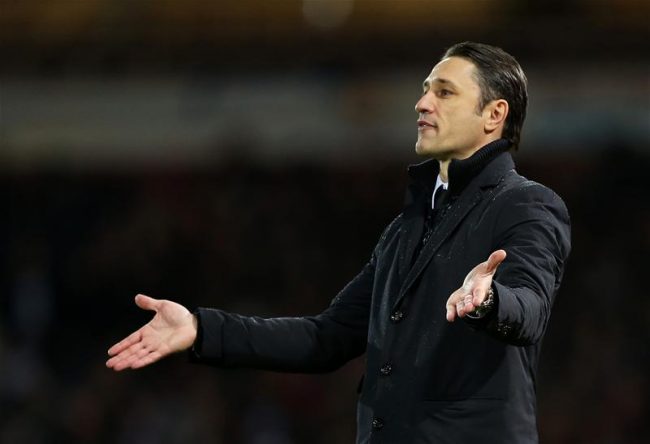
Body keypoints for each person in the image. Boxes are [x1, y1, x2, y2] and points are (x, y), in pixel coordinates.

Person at [106, 42, 571, 444]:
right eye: (425, 89)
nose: (422, 103)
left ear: (494, 114)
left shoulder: (527, 204)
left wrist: (489, 300)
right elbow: (325, 339)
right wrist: (201, 329)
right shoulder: (403, 232)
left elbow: (529, 308)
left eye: (444, 92)